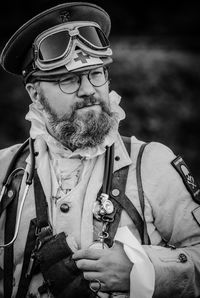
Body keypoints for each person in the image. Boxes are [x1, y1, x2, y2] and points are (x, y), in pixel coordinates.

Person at [0, 2, 200, 298]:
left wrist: (141, 269)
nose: (88, 90)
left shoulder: (153, 162)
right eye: (68, 79)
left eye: (96, 74)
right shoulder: (4, 168)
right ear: (34, 93)